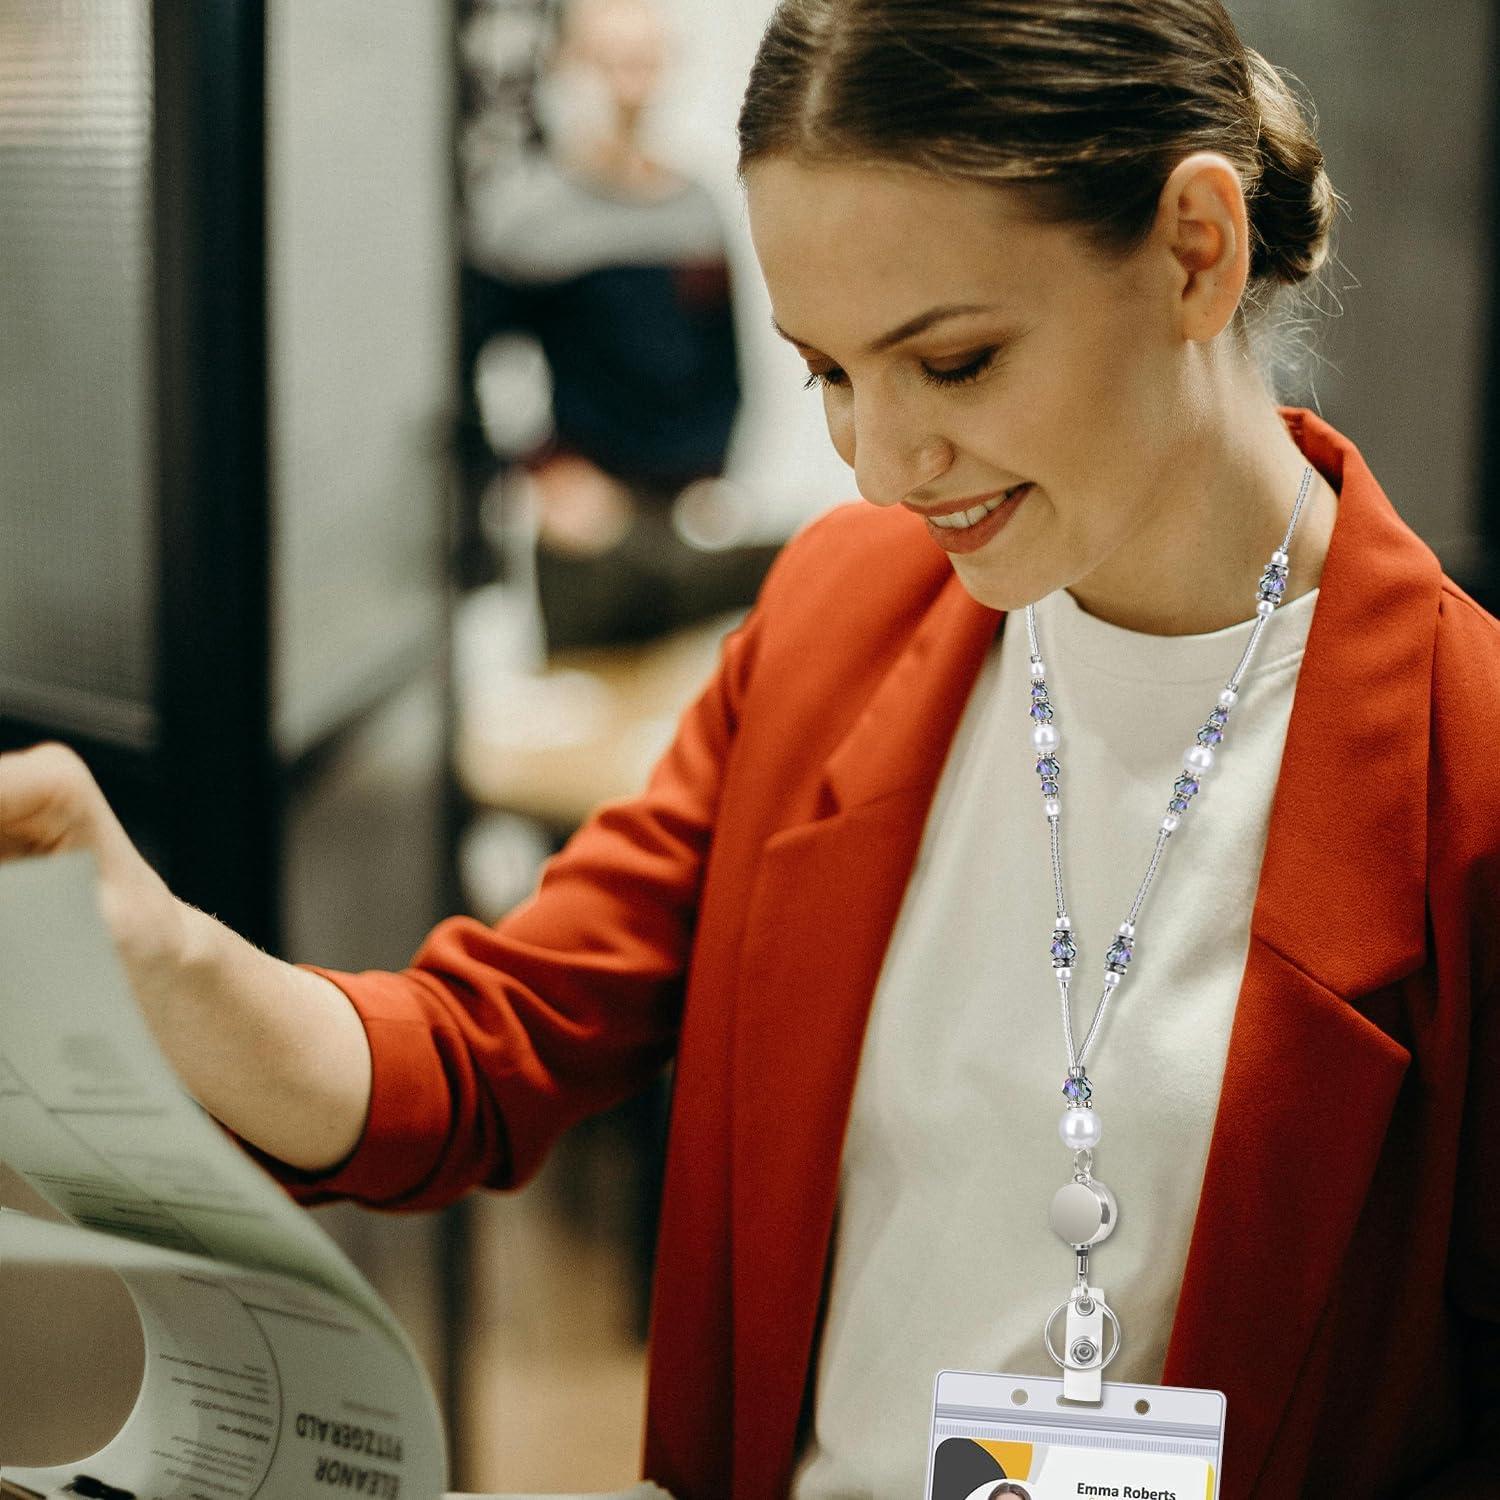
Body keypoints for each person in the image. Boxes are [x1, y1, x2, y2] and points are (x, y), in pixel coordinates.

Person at [2, 2, 1498, 1497]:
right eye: (831, 374)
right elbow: (483, 1052)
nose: (885, 462)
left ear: (1194, 248)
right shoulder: (840, 624)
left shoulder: (1465, 768)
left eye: (958, 362)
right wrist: (153, 943)